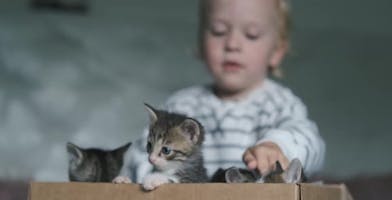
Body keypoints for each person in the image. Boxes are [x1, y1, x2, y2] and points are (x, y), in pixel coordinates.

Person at [124, 0, 325, 182]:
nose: (232, 44)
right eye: (218, 31)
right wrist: (152, 180)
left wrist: (280, 146)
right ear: (201, 43)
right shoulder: (182, 105)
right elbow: (141, 154)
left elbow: (312, 143)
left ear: (276, 52)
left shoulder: (280, 103)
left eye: (251, 35)